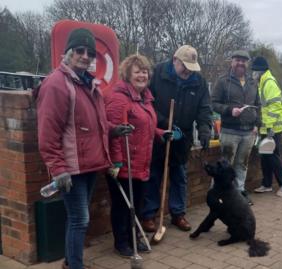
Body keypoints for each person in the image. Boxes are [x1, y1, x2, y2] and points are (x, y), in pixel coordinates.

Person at [36, 28, 132, 269]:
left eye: (90, 53)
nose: (85, 56)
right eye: (79, 50)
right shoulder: (57, 84)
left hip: (90, 164)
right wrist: (58, 169)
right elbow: (48, 134)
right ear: (67, 53)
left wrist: (113, 129)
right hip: (71, 168)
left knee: (79, 218)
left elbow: (94, 123)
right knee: (80, 219)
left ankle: (71, 262)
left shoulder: (89, 84)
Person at [104, 54, 173, 257]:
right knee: (122, 206)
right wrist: (116, 161)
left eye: (144, 71)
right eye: (137, 71)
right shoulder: (118, 98)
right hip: (122, 163)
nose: (142, 75)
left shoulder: (145, 98)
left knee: (137, 205)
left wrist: (162, 134)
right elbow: (114, 132)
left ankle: (134, 238)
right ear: (127, 74)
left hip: (141, 163)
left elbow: (146, 128)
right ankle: (121, 242)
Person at [142, 45, 212, 232]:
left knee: (179, 175)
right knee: (154, 175)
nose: (188, 71)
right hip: (159, 132)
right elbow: (146, 101)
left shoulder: (199, 82)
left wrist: (205, 129)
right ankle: (149, 215)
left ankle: (178, 214)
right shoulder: (157, 73)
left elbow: (204, 109)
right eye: (184, 66)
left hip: (183, 136)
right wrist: (165, 122)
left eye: (191, 67)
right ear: (175, 60)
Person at [211, 50, 260, 205]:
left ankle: (238, 194)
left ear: (247, 64)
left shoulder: (252, 83)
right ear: (231, 62)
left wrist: (257, 124)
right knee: (224, 166)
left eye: (244, 61)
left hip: (248, 132)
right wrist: (229, 110)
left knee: (242, 165)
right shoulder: (223, 81)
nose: (241, 63)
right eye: (237, 60)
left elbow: (258, 105)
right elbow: (213, 103)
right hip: (229, 132)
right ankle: (215, 195)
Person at [251, 56, 282, 197]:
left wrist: (268, 127)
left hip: (273, 128)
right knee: (264, 156)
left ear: (259, 71)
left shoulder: (269, 83)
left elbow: (275, 106)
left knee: (273, 156)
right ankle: (266, 184)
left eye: (254, 71)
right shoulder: (263, 82)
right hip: (266, 126)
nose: (252, 74)